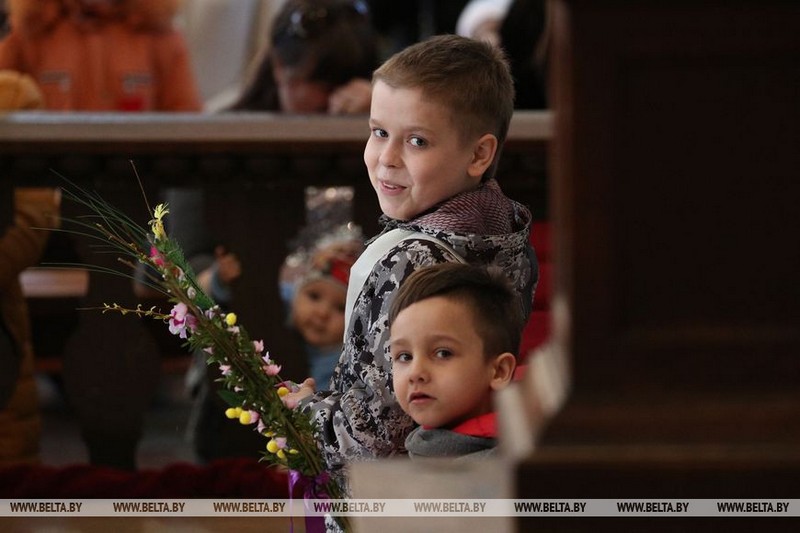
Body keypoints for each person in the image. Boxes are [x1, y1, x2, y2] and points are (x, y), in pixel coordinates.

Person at [285, 34, 538, 491]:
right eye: (379, 131)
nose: (386, 158)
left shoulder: (408, 260)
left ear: (480, 154)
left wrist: (302, 412)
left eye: (417, 141)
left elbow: (374, 440)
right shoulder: (506, 235)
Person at [388, 262, 520, 459]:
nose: (416, 373)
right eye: (404, 356)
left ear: (499, 371)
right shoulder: (425, 447)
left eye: (443, 353)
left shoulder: (510, 471)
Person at [0, 0, 201, 111]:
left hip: (136, 182)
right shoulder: (31, 30)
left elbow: (187, 128)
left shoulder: (159, 34)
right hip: (48, 179)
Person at [229, 0, 377, 114]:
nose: (337, 100)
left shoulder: (376, 116)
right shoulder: (226, 133)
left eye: (348, 81)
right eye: (325, 85)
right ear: (279, 66)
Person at [280, 222, 363, 389]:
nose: (323, 313)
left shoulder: (340, 368)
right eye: (314, 296)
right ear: (292, 294)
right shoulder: (280, 341)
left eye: (341, 307)